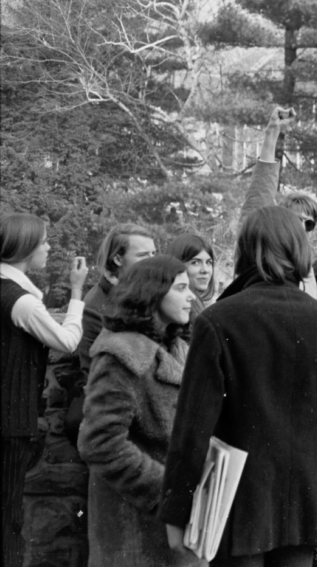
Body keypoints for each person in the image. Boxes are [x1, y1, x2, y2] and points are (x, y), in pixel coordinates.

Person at [160, 206, 317, 566]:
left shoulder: (218, 319)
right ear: (300, 251)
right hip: (304, 497)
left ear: (245, 250)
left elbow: (192, 429)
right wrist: (305, 427)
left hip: (236, 498)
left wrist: (176, 512)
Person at [77, 256, 202, 567]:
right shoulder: (121, 355)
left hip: (173, 522)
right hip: (136, 526)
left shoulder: (176, 348)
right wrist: (169, 490)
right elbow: (100, 443)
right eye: (182, 288)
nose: (192, 296)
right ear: (153, 294)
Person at [1, 213, 89, 567]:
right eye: (45, 241)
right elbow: (67, 341)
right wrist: (78, 290)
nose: (49, 247)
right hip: (10, 424)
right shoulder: (20, 301)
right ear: (26, 248)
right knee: (8, 518)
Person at [240, 105, 317, 300]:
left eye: (308, 223)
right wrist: (272, 133)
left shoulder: (308, 270)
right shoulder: (262, 257)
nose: (301, 227)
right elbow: (259, 197)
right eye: (295, 219)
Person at [77, 224, 157, 376]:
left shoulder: (151, 294)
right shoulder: (95, 307)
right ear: (118, 259)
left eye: (153, 253)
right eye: (143, 255)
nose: (153, 261)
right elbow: (93, 373)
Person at [165, 234, 217, 321]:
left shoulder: (197, 304)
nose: (205, 270)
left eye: (208, 262)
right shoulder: (181, 309)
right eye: (195, 262)